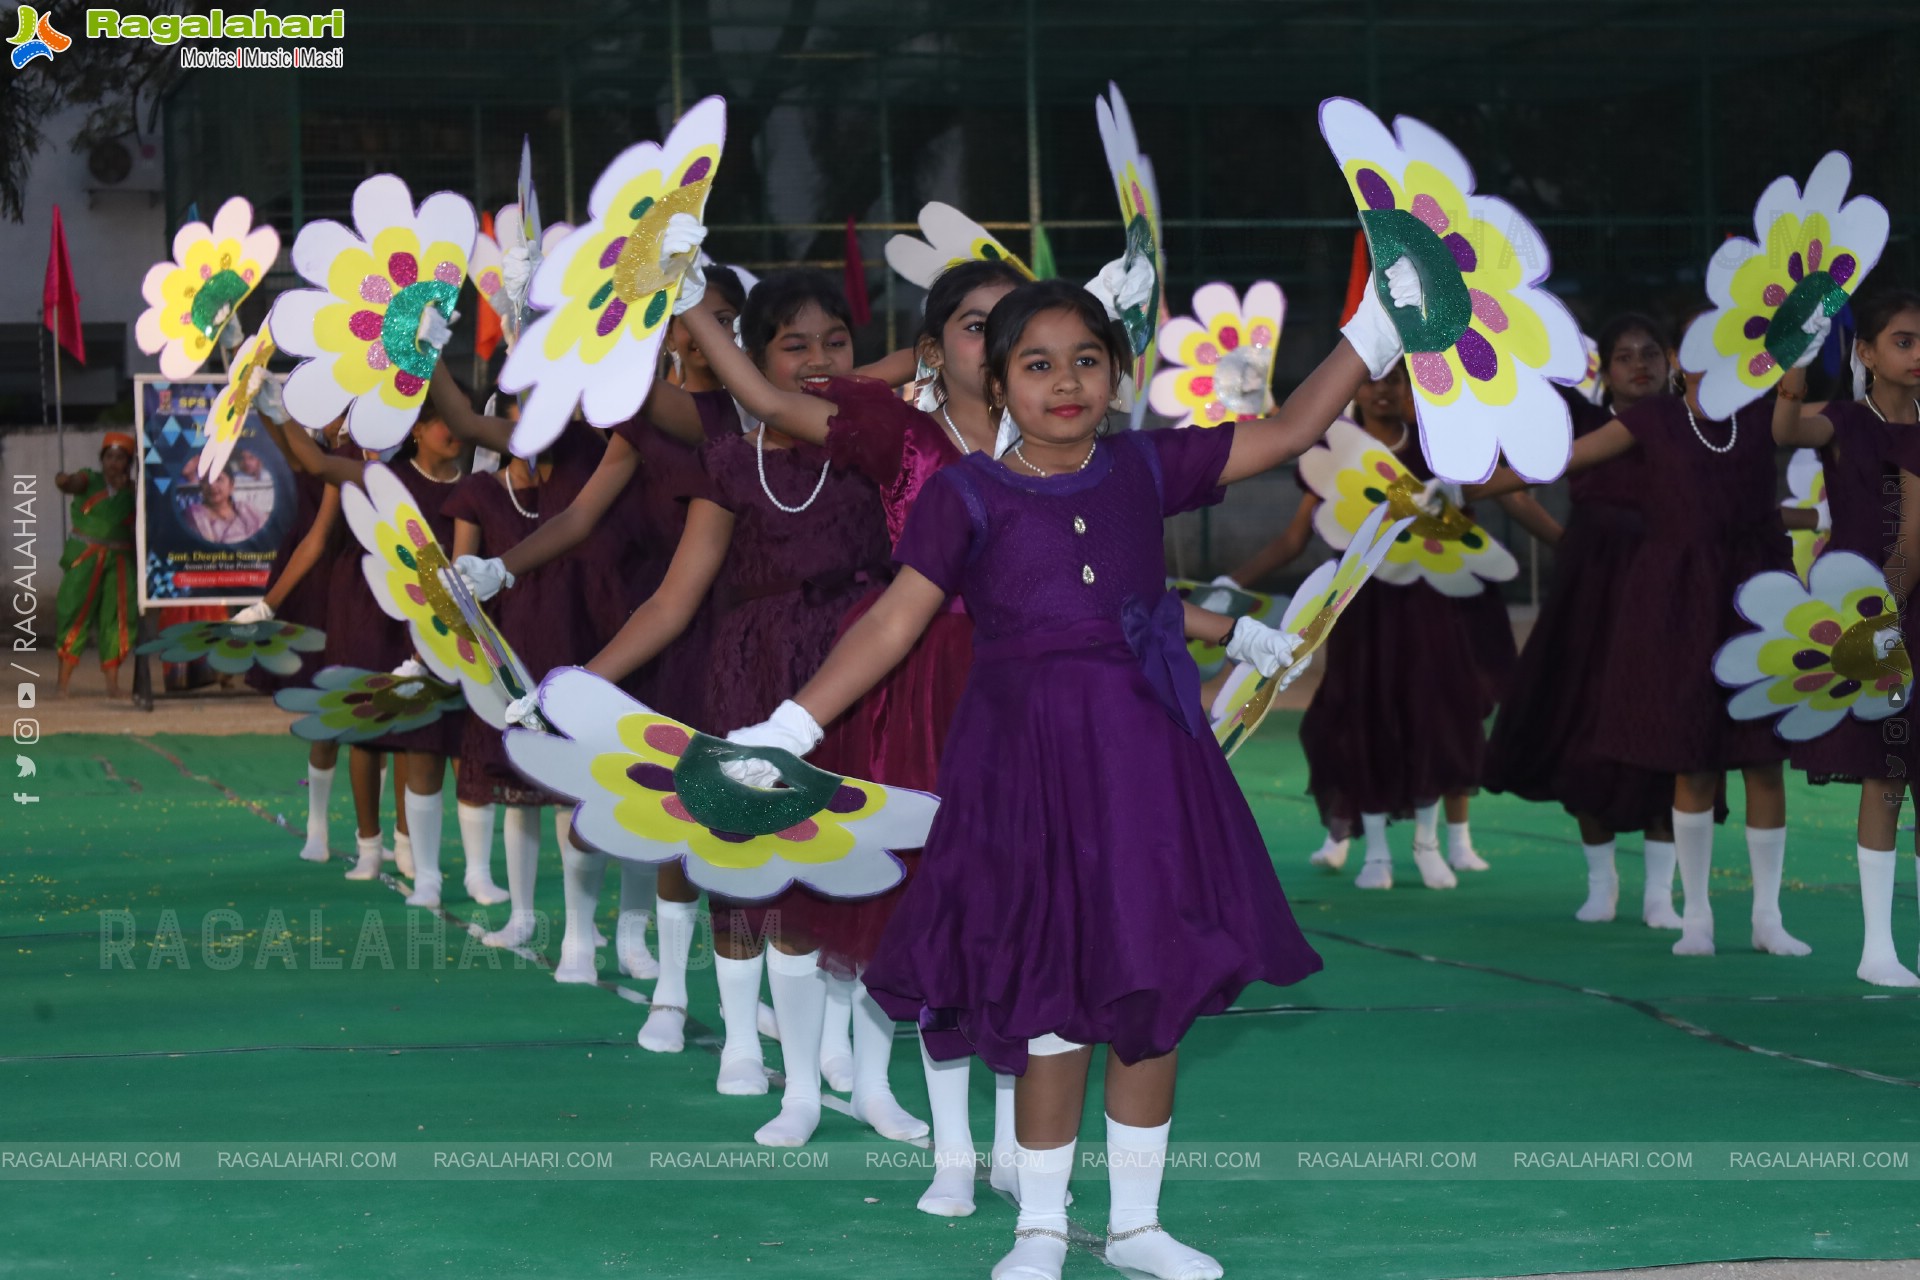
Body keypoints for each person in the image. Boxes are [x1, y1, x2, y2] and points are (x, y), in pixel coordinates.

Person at [722, 273, 1415, 1280]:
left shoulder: (1143, 467)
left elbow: (1294, 423)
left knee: (1151, 983)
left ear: (1120, 374)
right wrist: (792, 722)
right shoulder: (966, 493)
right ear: (996, 383)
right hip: (1025, 774)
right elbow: (893, 620)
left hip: (1148, 770)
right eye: (1036, 363)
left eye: (1087, 359)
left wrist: (1372, 334)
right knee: (1051, 995)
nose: (1065, 381)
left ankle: (1136, 1225)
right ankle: (1039, 1225)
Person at [1474, 314, 1813, 958]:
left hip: (1757, 598)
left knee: (1765, 761)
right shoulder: (1652, 420)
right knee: (1693, 758)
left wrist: (1798, 348)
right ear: (1683, 359)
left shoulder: (1764, 413)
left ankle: (1768, 918)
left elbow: (1801, 422)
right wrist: (1480, 478)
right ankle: (1696, 919)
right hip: (1679, 602)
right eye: (1702, 348)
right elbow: (1562, 461)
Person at [1483, 314, 1689, 926]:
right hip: (1587, 602)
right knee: (1581, 731)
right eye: (1625, 356)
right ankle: (1602, 884)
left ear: (1670, 361)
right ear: (1606, 368)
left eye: (1650, 353)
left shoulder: (1688, 430)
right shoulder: (1578, 423)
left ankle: (1659, 893)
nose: (1639, 365)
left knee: (1665, 736)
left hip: (1663, 600)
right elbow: (1511, 473)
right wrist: (1567, 542)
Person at [1772, 288, 1920, 986]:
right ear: (1865, 352)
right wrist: (1794, 366)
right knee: (1883, 772)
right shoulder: (1842, 421)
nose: (1917, 354)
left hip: (1899, 606)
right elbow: (1782, 432)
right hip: (1872, 612)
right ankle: (1878, 949)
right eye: (1903, 340)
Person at [55, 434, 139, 698]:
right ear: (102, 459)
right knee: (74, 612)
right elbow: (72, 483)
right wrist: (64, 480)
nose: (113, 463)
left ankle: (113, 686)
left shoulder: (134, 490)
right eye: (109, 457)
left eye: (120, 458)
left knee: (117, 618)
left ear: (128, 462)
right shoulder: (88, 479)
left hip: (121, 561)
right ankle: (63, 684)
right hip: (87, 557)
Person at [187, 461, 269, 545]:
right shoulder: (196, 514)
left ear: (231, 485)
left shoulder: (245, 508)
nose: (212, 485)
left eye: (219, 479)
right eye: (205, 481)